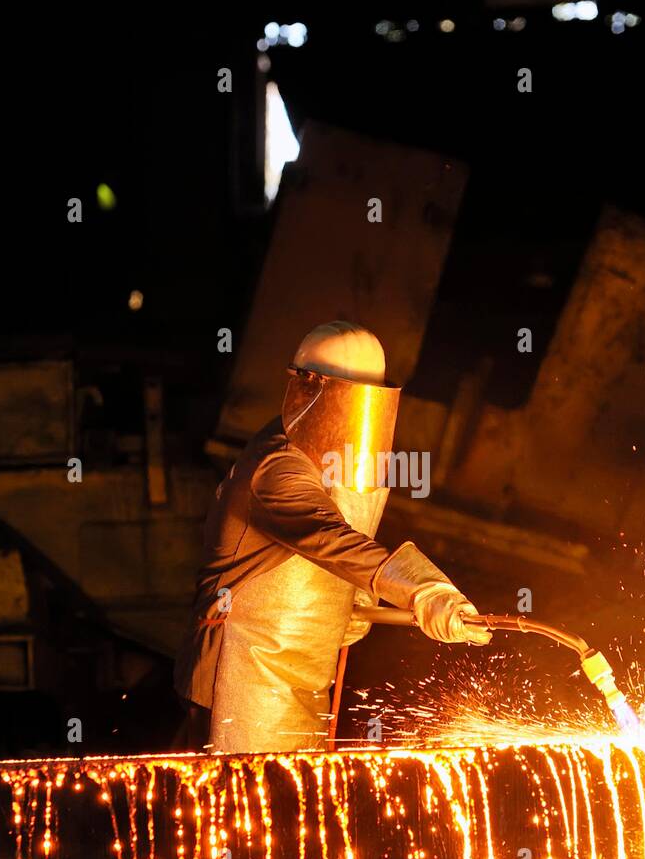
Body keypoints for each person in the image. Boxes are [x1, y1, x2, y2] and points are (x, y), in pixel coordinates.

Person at [174, 321, 490, 755]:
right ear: (308, 390)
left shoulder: (318, 459)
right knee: (235, 807)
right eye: (347, 399)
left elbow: (332, 552)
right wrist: (422, 590)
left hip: (296, 676)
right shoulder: (278, 468)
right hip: (241, 677)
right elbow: (331, 538)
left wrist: (346, 604)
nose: (356, 420)